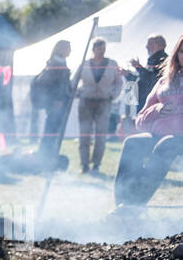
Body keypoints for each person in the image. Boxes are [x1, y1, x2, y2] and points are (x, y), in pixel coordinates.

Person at [114, 34, 183, 207]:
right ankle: (121, 204)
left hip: (177, 138)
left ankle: (133, 205)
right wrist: (159, 109)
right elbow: (141, 120)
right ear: (176, 55)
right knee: (132, 143)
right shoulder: (164, 82)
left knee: (167, 144)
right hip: (159, 134)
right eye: (182, 51)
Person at [73, 38, 125, 173]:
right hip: (86, 101)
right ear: (93, 49)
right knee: (84, 133)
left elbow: (119, 82)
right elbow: (75, 80)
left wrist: (113, 95)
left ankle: (96, 164)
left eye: (103, 48)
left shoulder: (112, 64)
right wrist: (78, 92)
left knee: (100, 134)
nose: (101, 51)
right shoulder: (84, 64)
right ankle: (84, 164)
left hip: (104, 101)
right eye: (99, 48)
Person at [31, 40, 73, 161]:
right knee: (51, 130)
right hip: (56, 103)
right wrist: (57, 99)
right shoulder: (56, 63)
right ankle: (45, 156)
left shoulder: (59, 62)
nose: (70, 50)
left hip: (58, 102)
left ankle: (48, 155)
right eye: (68, 48)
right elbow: (53, 84)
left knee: (53, 130)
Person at [128, 34, 169, 115]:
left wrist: (139, 67)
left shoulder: (163, 60)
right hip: (146, 101)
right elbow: (143, 79)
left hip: (153, 103)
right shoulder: (153, 60)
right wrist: (128, 75)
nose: (146, 47)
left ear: (159, 45)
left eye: (150, 44)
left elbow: (154, 81)